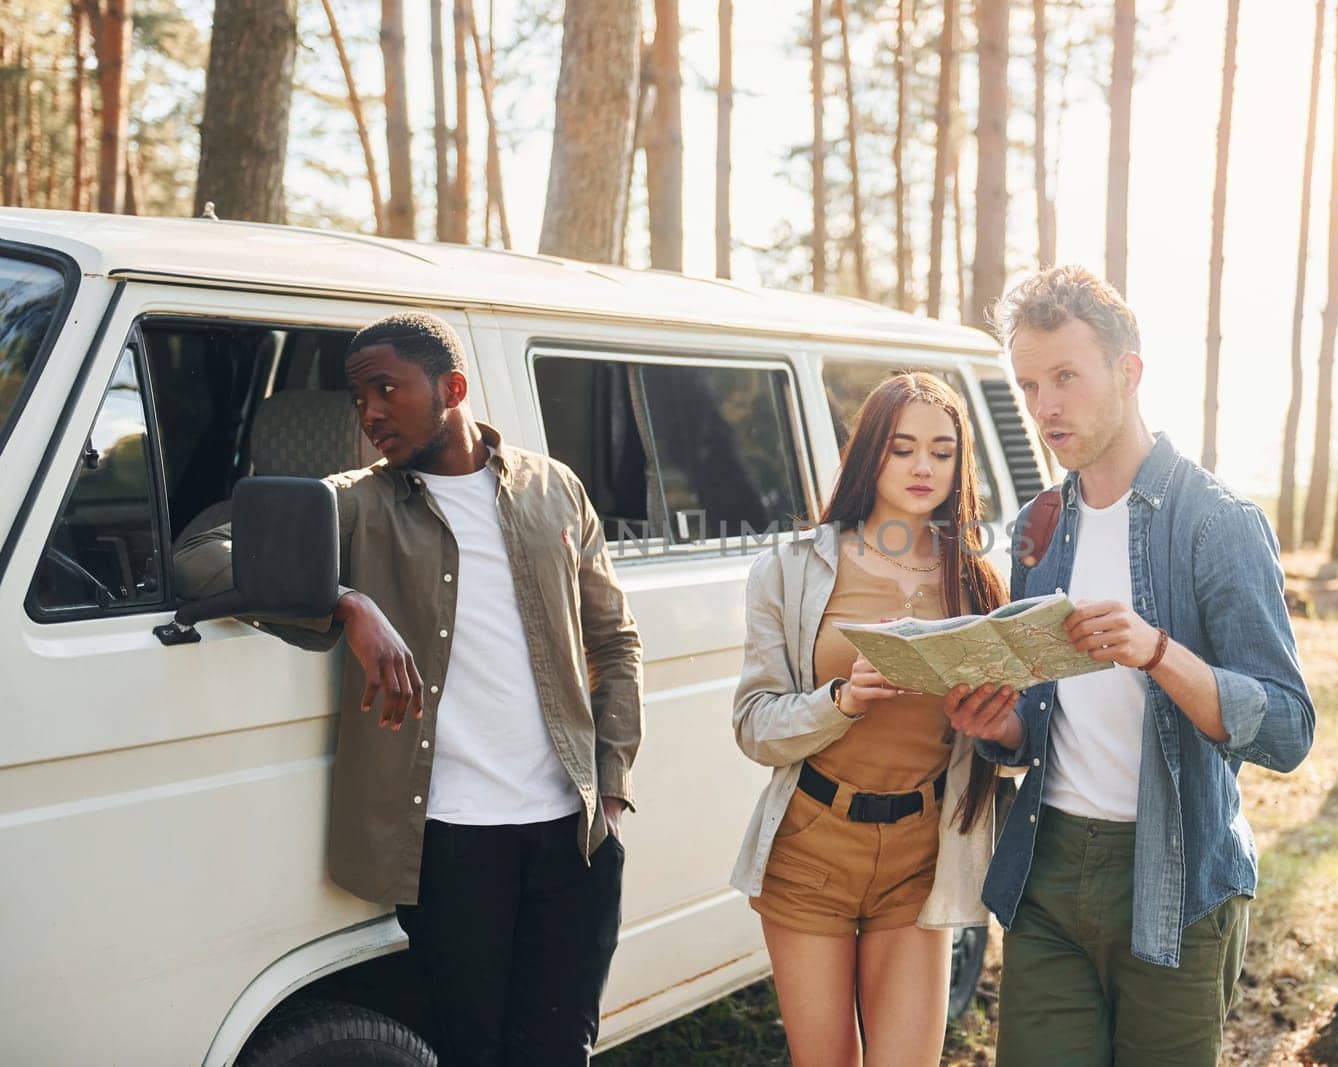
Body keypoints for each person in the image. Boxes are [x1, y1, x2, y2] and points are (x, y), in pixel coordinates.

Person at [176, 311, 643, 1066]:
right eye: (359, 397)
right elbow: (202, 552)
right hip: (452, 847)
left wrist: (612, 788)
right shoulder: (352, 502)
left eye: (386, 389)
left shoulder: (554, 488)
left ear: (452, 387)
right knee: (471, 1051)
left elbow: (616, 643)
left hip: (575, 838)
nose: (369, 413)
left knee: (560, 1050)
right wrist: (343, 602)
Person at [943, 266, 1315, 1065]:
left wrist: (1159, 652)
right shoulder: (1040, 526)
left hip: (1175, 881)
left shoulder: (1218, 523)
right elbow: (1045, 714)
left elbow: (1287, 728)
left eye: (1066, 377)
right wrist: (1001, 726)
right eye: (1030, 383)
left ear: (1130, 371)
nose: (1045, 407)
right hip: (1048, 869)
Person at [729, 372, 1007, 1066]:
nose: (923, 467)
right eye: (902, 447)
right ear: (869, 455)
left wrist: (996, 717)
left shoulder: (977, 577)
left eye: (941, 452)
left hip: (922, 852)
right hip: (812, 849)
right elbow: (753, 723)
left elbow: (1018, 733)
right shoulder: (793, 567)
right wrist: (842, 699)